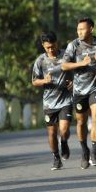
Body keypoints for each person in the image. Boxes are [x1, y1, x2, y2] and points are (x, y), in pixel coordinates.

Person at [61, 17, 96, 170]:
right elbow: (64, 65)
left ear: (91, 29)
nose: (79, 32)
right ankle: (84, 150)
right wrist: (81, 63)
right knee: (81, 122)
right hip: (79, 90)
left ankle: (94, 152)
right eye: (78, 29)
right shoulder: (73, 45)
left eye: (82, 29)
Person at [31, 31, 73, 170]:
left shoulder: (66, 56)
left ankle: (64, 141)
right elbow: (34, 81)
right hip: (49, 102)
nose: (51, 49)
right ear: (43, 46)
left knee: (64, 129)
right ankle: (56, 157)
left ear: (57, 43)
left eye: (53, 46)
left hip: (66, 99)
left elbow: (76, 71)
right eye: (48, 47)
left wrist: (73, 82)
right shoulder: (40, 61)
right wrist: (44, 81)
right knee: (51, 132)